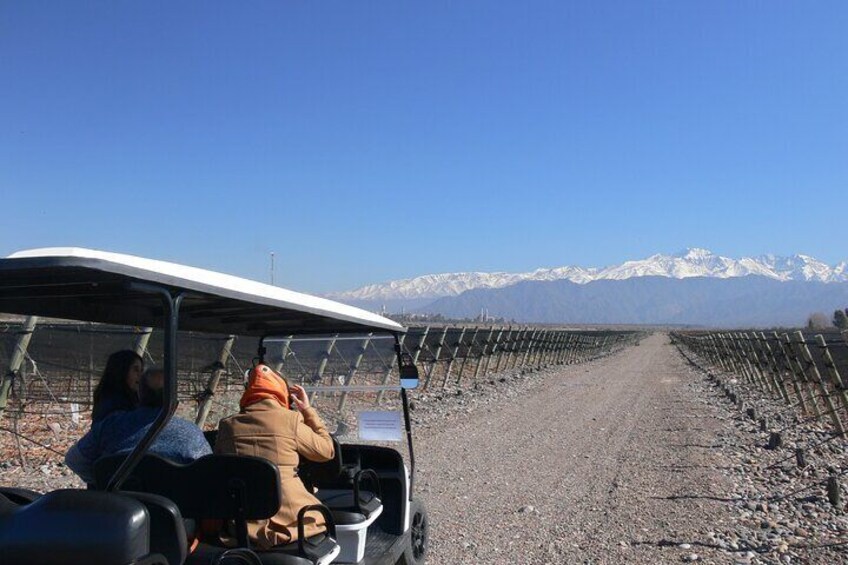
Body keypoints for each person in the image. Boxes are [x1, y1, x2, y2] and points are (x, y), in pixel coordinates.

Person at [214, 364, 335, 549]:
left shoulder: (228, 426)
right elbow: (327, 451)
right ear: (281, 392)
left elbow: (219, 467)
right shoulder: (291, 420)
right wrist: (307, 411)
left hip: (243, 525)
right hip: (294, 522)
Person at [66, 368, 212, 484]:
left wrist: (102, 482)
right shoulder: (191, 434)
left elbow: (74, 460)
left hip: (118, 513)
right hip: (173, 516)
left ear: (139, 397)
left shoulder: (111, 426)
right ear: (174, 403)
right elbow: (207, 473)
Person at [91, 350, 144, 423]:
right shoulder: (111, 406)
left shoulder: (133, 400)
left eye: (141, 370)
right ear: (121, 370)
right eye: (135, 370)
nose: (140, 375)